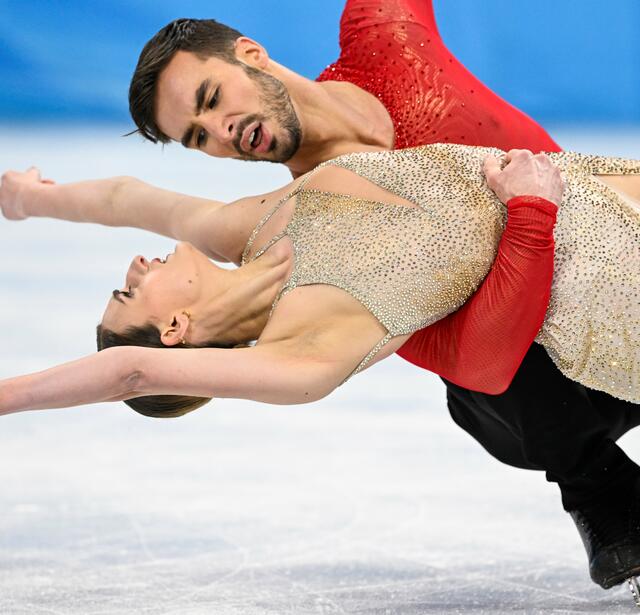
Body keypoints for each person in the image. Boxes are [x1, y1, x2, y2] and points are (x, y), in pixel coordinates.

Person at [2, 3, 639, 591]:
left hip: (613, 211)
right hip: (593, 332)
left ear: (250, 54)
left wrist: (31, 197)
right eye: (198, 138)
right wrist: (530, 214)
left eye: (210, 100)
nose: (218, 135)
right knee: (480, 397)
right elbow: (131, 370)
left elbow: (126, 199)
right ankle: (601, 495)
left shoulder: (256, 218)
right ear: (175, 327)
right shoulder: (310, 341)